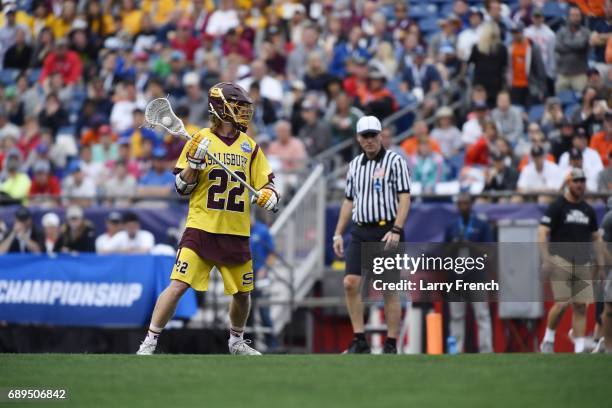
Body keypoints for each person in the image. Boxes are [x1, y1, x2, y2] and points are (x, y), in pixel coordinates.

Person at [137, 82, 279, 356]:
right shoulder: (199, 139)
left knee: (242, 293)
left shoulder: (250, 147)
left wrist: (270, 195)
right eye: (238, 106)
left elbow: (268, 185)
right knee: (178, 285)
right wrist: (193, 165)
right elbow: (181, 188)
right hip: (201, 227)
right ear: (221, 108)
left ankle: (236, 342)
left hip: (236, 230)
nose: (244, 112)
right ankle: (149, 342)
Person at [332, 116, 411, 354]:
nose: (369, 140)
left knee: (388, 288)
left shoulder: (395, 161)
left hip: (386, 229)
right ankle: (360, 340)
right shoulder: (355, 165)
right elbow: (348, 200)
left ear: (381, 135)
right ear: (358, 138)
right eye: (364, 136)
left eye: (373, 135)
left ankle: (391, 343)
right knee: (350, 283)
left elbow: (405, 197)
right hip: (361, 229)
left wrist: (396, 229)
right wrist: (337, 233)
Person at [539, 168, 601, 353]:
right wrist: (546, 258)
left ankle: (579, 349)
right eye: (576, 181)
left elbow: (596, 237)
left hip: (582, 261)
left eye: (582, 181)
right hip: (561, 258)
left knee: (581, 306)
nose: (580, 184)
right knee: (563, 303)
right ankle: (548, 338)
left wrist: (599, 260)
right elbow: (542, 232)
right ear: (568, 183)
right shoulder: (558, 205)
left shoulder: (588, 210)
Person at [444, 193, 494, 353]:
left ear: (471, 204)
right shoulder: (452, 226)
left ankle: (486, 350)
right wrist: (455, 245)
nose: (463, 206)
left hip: (476, 274)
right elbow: (444, 253)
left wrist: (470, 245)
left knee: (482, 315)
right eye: (460, 203)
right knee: (456, 316)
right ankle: (456, 351)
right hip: (456, 276)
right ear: (457, 205)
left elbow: (490, 252)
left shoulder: (481, 225)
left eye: (466, 203)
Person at [249, 213, 279, 350]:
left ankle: (272, 344)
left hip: (261, 275)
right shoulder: (240, 232)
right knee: (246, 311)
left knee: (264, 310)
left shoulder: (262, 231)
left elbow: (272, 253)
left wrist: (265, 269)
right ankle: (249, 343)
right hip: (246, 275)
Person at [555, 6, 591, 93]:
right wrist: (575, 45)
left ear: (581, 17)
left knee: (582, 99)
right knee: (559, 100)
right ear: (568, 17)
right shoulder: (561, 31)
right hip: (563, 74)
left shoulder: (585, 31)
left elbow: (581, 45)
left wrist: (566, 42)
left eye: (577, 15)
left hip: (580, 74)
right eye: (573, 15)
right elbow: (558, 47)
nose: (575, 18)